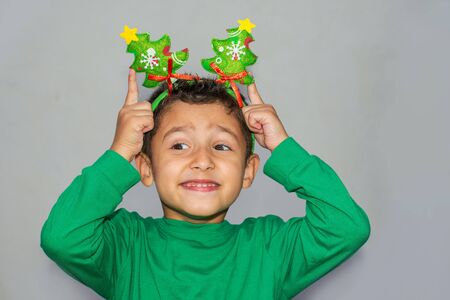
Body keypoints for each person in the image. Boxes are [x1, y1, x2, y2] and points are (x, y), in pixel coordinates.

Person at [40, 69, 371, 299]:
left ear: (247, 171)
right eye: (179, 145)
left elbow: (346, 228)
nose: (202, 160)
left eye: (222, 146)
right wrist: (119, 152)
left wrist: (282, 146)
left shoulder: (270, 249)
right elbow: (62, 238)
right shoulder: (125, 245)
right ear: (146, 167)